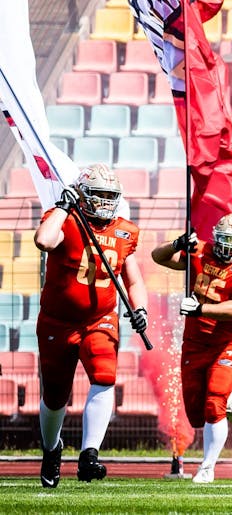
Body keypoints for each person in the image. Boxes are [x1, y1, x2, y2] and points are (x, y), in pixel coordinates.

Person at [35, 164, 149, 487]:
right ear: (83, 194)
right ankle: (51, 448)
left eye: (109, 195)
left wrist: (141, 309)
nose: (104, 201)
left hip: (100, 318)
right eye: (98, 194)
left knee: (104, 375)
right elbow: (43, 240)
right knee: (56, 396)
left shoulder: (123, 230)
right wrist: (62, 206)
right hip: (58, 319)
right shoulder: (66, 219)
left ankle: (89, 456)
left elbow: (135, 280)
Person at [150, 213, 232, 484]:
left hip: (226, 344)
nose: (230, 247)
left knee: (215, 402)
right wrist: (178, 243)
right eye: (226, 241)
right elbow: (159, 257)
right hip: (194, 344)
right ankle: (226, 400)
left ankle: (207, 467)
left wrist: (201, 308)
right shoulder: (201, 252)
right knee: (196, 414)